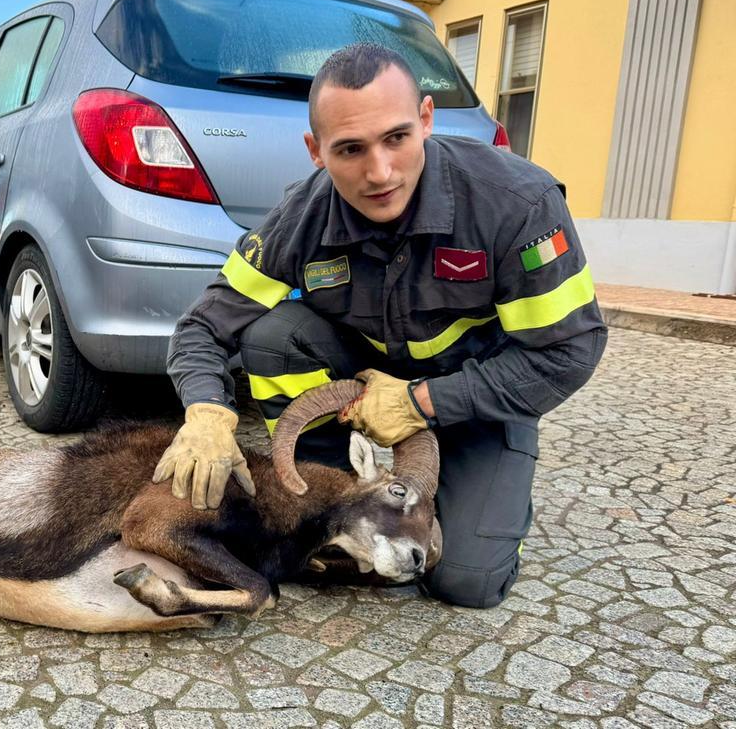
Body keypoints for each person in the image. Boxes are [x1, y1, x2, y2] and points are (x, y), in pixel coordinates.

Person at [154, 43, 606, 609]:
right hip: (362, 391)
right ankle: (333, 490)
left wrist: (422, 402)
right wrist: (206, 412)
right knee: (274, 336)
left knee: (464, 581)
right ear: (316, 151)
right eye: (350, 149)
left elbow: (568, 352)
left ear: (425, 119)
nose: (380, 171)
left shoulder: (516, 205)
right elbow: (202, 328)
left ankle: (479, 494)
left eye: (396, 137)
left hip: (477, 399)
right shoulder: (301, 219)